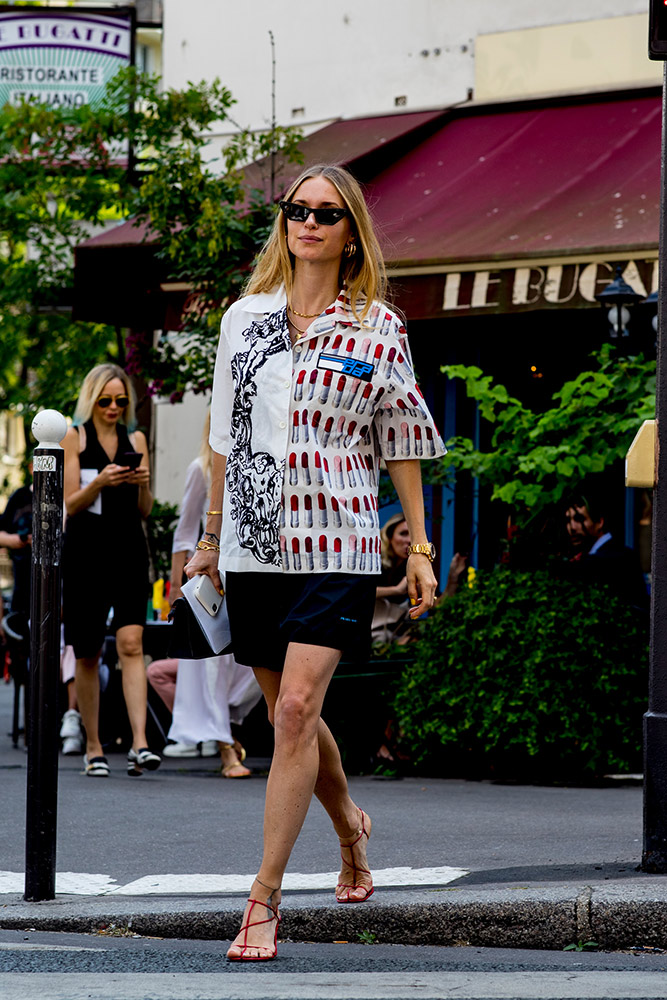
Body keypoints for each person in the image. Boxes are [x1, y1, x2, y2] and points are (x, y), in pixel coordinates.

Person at [186, 163, 446, 961]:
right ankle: (349, 829)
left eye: (326, 214)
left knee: (296, 711)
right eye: (297, 210)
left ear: (348, 231)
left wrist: (421, 548)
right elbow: (225, 437)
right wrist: (207, 539)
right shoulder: (244, 320)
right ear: (285, 225)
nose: (308, 223)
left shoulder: (377, 327)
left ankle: (261, 900)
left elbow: (401, 440)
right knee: (285, 712)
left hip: (338, 538)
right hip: (255, 542)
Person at [147, 418, 261, 777]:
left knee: (254, 664)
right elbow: (183, 535)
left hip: (254, 572)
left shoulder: (259, 462)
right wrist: (173, 593)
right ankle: (227, 748)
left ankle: (225, 727)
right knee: (213, 664)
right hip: (214, 576)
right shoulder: (201, 468)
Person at [62, 363, 160, 778]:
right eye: (106, 401)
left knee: (132, 642)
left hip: (127, 551)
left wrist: (141, 483)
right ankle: (94, 745)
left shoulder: (135, 438)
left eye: (121, 400)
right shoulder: (74, 436)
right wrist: (100, 481)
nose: (114, 407)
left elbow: (145, 509)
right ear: (91, 400)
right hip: (85, 554)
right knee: (87, 651)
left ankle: (140, 743)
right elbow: (69, 504)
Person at [564, 494, 648, 611]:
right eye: (568, 520)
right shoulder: (613, 553)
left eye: (579, 519)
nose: (571, 527)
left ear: (599, 522)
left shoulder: (610, 558)